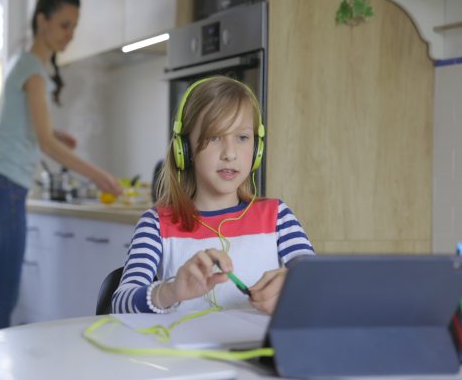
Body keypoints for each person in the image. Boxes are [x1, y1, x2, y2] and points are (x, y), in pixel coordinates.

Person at [0, 0, 123, 332]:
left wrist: (53, 133)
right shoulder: (34, 71)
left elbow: (16, 126)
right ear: (42, 21)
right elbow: (44, 142)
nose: (70, 34)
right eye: (65, 25)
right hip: (5, 188)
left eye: (74, 27)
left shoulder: (21, 64)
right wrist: (100, 176)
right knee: (2, 298)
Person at [112, 76, 314, 315]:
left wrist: (294, 287)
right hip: (182, 352)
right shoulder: (156, 223)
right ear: (184, 149)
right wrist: (170, 291)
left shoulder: (278, 216)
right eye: (214, 137)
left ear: (257, 149)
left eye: (242, 137)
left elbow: (321, 288)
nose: (230, 154)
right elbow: (119, 304)